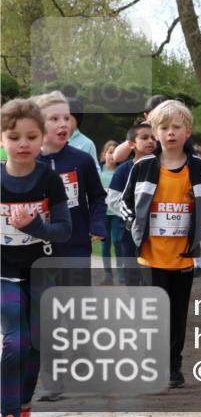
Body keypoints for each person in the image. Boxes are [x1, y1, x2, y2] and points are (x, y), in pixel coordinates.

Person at [121, 100, 201, 390]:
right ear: (154, 132)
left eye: (177, 127)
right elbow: (126, 204)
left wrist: (198, 231)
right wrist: (137, 227)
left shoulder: (199, 169)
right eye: (164, 128)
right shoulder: (143, 167)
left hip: (182, 258)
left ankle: (173, 365)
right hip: (151, 257)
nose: (170, 133)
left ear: (188, 131)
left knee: (177, 314)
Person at [1, 99, 71, 417]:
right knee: (15, 340)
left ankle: (24, 406)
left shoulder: (49, 180)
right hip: (5, 275)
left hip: (43, 273)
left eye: (31, 136)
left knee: (35, 344)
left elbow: (64, 229)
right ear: (2, 139)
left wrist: (34, 227)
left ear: (41, 138)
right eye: (14, 137)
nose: (23, 144)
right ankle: (8, 414)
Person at [33, 91, 106, 259]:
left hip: (75, 247)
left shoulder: (82, 160)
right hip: (36, 250)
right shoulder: (25, 162)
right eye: (54, 119)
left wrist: (97, 224)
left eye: (67, 118)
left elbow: (97, 196)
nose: (64, 124)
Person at [107, 121, 157, 285]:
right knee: (132, 276)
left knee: (153, 275)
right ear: (131, 144)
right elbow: (113, 200)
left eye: (153, 138)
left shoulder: (162, 168)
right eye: (144, 138)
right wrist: (135, 215)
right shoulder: (123, 170)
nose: (150, 141)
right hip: (129, 231)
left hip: (156, 232)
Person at [99, 140, 124, 285]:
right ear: (104, 154)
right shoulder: (98, 171)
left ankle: (121, 272)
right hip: (102, 214)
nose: (112, 155)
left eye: (115, 152)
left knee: (117, 240)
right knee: (105, 244)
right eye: (110, 152)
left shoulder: (121, 171)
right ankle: (107, 274)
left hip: (116, 213)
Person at [66, 96, 99, 168]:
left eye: (67, 117)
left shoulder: (87, 144)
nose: (63, 121)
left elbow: (95, 172)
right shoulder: (53, 140)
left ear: (77, 117)